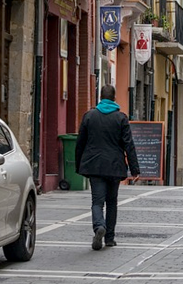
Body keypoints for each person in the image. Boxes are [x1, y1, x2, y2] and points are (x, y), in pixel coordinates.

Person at [75, 84, 140, 250]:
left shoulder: (89, 116)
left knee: (97, 201)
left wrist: (79, 165)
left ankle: (99, 226)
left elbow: (80, 143)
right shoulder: (121, 118)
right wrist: (135, 169)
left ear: (100, 97)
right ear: (114, 98)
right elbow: (128, 144)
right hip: (114, 166)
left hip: (94, 166)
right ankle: (109, 238)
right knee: (111, 202)